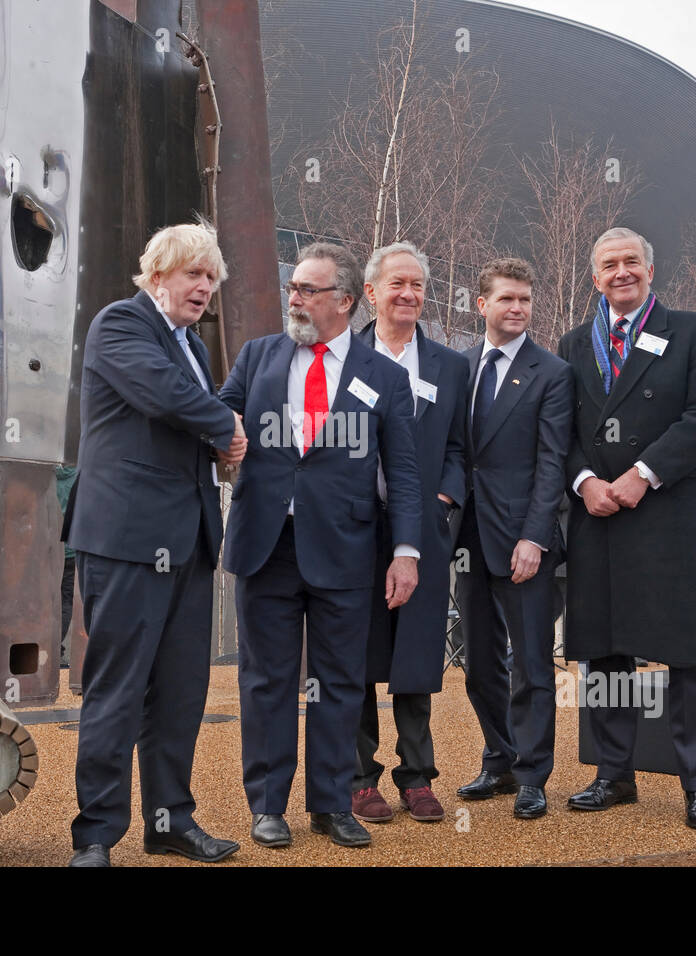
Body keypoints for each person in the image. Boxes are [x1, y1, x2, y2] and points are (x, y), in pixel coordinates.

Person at [219, 241, 422, 850]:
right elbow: (218, 418)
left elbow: (406, 473)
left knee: (339, 682)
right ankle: (268, 806)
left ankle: (334, 804)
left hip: (345, 550)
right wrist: (222, 437)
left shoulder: (382, 376)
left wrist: (406, 551)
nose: (296, 298)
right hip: (267, 545)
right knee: (266, 681)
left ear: (345, 300)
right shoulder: (257, 357)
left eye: (309, 289)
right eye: (294, 287)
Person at [67, 223, 247, 867]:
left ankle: (169, 822)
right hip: (126, 539)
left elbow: (187, 413)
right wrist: (227, 425)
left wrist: (219, 437)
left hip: (189, 541)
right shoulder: (120, 324)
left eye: (210, 278)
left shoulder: (193, 346)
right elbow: (166, 397)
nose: (203, 288)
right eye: (192, 274)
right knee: (117, 688)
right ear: (158, 273)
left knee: (178, 692)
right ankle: (95, 836)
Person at [557, 227, 696, 830]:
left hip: (670, 509)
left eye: (632, 261)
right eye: (609, 264)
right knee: (605, 651)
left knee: (688, 653)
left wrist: (642, 473)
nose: (621, 272)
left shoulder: (695, 331)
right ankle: (613, 774)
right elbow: (562, 431)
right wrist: (584, 482)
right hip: (598, 514)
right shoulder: (575, 342)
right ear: (595, 276)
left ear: (650, 271)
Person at [350, 242, 468, 825]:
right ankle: (358, 779)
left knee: (416, 654)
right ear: (371, 292)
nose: (409, 294)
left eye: (418, 285)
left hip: (422, 531)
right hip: (354, 532)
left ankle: (417, 776)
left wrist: (443, 500)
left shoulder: (451, 365)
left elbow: (459, 448)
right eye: (397, 283)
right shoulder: (344, 358)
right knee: (355, 652)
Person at [452, 257, 572, 821]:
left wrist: (535, 536)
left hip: (523, 539)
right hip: (465, 537)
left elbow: (552, 462)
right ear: (482, 305)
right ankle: (499, 756)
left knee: (530, 663)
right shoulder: (459, 366)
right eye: (506, 299)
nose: (517, 308)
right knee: (478, 663)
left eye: (525, 299)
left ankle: (532, 774)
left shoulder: (550, 372)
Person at [55, 464, 78, 668]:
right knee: (66, 601)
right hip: (72, 549)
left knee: (46, 601)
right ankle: (57, 649)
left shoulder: (48, 477)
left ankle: (47, 646)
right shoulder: (80, 476)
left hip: (48, 551)